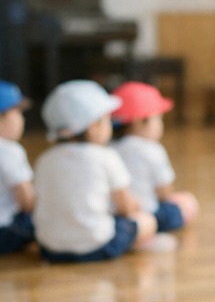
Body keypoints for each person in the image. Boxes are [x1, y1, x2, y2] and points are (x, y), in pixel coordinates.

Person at [34, 80, 174, 263]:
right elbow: (125, 207)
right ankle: (139, 243)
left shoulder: (44, 160)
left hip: (50, 250)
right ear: (93, 128)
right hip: (97, 247)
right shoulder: (106, 157)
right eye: (107, 119)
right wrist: (136, 206)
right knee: (147, 221)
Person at [111, 81, 198, 232]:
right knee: (187, 203)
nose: (161, 125)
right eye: (159, 118)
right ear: (139, 122)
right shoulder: (153, 150)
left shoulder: (109, 148)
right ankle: (151, 232)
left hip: (118, 214)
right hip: (149, 213)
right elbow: (164, 193)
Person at [0, 80, 36, 254]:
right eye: (17, 113)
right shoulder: (9, 150)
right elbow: (26, 200)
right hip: (5, 231)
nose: (21, 120)